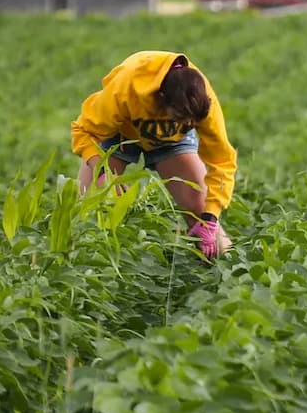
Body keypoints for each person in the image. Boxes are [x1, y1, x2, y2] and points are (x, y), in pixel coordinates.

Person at [71, 50, 238, 259]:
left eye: (191, 124)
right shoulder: (128, 85)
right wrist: (104, 173)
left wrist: (211, 218)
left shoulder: (201, 100)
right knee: (92, 210)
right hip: (120, 134)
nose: (186, 125)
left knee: (201, 210)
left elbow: (222, 160)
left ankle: (230, 275)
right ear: (161, 101)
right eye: (180, 119)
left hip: (170, 142)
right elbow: (83, 131)